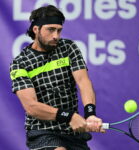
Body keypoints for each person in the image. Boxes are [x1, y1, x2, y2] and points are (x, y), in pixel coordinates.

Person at [10, 5, 105, 150]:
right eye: (50, 30)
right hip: (42, 132)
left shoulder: (68, 47)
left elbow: (83, 81)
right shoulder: (19, 64)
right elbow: (31, 106)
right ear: (36, 29)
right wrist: (69, 116)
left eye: (59, 30)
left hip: (73, 133)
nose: (56, 36)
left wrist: (90, 113)